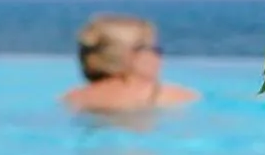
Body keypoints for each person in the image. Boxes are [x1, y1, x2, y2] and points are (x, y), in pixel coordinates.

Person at [62, 14, 199, 114]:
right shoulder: (171, 96)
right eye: (155, 50)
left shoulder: (71, 99)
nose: (160, 57)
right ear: (135, 56)